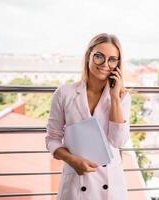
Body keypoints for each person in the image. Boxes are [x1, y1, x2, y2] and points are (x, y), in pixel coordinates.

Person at [45, 33, 131, 200]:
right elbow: (52, 139)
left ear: (118, 65)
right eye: (99, 56)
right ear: (88, 56)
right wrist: (71, 160)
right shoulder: (64, 93)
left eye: (112, 59)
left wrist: (114, 97)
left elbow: (118, 141)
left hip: (111, 187)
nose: (105, 64)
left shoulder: (122, 97)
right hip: (75, 183)